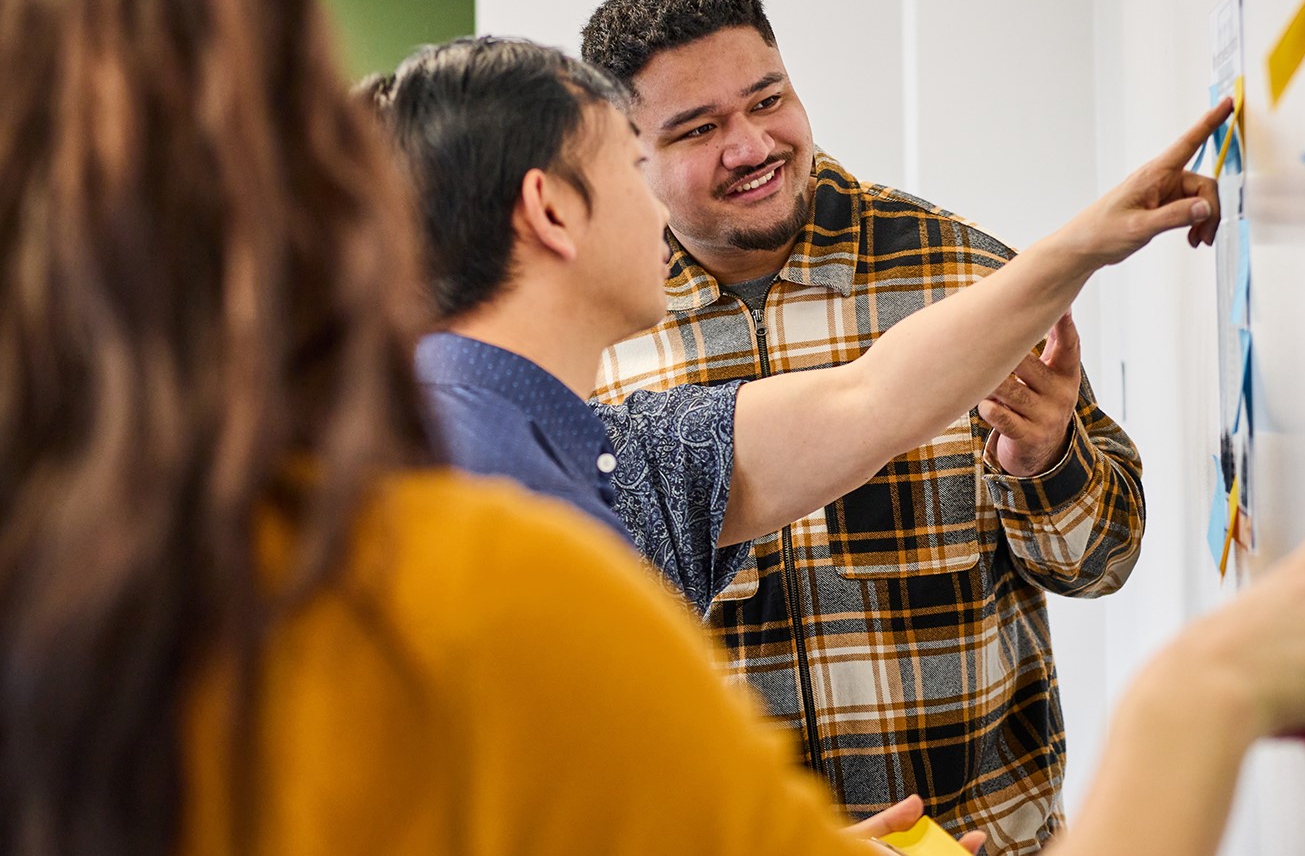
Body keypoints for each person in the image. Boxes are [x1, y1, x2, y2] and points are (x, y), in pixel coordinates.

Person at [0, 0, 1305, 856]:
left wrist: (1080, 249)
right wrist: (1202, 695)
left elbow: (874, 399)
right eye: (645, 155)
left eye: (767, 100)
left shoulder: (561, 450)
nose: (735, 156)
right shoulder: (469, 563)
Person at [363, 38, 1216, 623]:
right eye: (631, 167)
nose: (654, 205)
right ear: (550, 210)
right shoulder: (434, 484)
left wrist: (1087, 241)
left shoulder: (619, 453)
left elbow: (873, 396)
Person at [582, 0, 1143, 850]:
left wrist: (1047, 462)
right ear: (629, 156)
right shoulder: (598, 346)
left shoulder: (960, 278)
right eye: (698, 129)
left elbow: (1099, 563)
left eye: (767, 100)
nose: (751, 144)